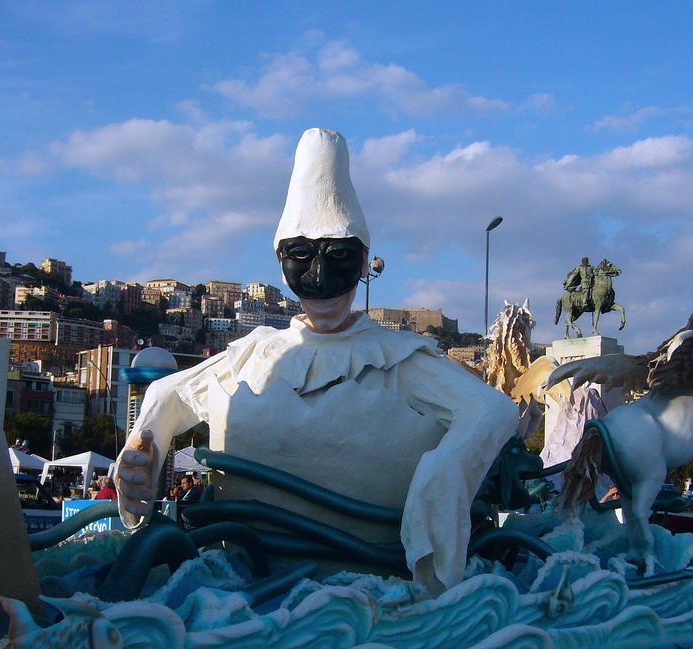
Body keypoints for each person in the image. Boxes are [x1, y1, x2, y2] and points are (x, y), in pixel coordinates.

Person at [115, 128, 518, 595]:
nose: (320, 275)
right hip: (244, 585)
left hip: (372, 595)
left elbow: (493, 409)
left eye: (339, 254)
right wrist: (144, 444)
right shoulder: (253, 356)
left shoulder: (399, 358)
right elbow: (169, 393)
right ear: (280, 260)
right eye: (301, 254)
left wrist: (447, 469)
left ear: (364, 261)